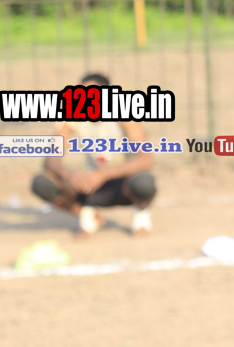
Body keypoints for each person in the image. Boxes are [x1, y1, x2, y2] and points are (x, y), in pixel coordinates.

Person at [31, 72, 157, 237]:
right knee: (42, 183)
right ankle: (87, 215)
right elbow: (51, 160)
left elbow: (145, 159)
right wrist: (69, 175)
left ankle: (141, 217)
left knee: (144, 182)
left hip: (122, 180)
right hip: (90, 183)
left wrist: (103, 175)